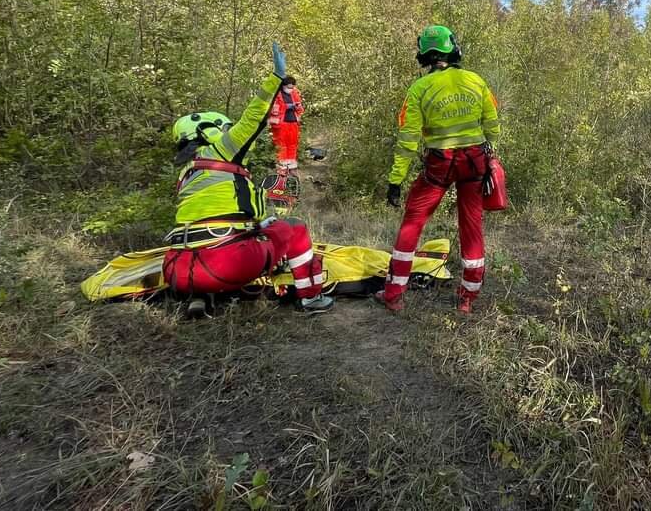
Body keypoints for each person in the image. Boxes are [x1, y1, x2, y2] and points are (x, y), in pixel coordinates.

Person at [163, 43, 334, 317]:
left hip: (176, 269)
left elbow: (219, 216)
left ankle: (200, 298)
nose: (230, 132)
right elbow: (254, 117)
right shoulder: (222, 150)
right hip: (223, 265)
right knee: (295, 227)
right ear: (209, 132)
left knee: (205, 238)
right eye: (225, 129)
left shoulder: (187, 173)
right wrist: (276, 78)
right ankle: (311, 298)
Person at [376, 25, 501, 314]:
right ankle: (467, 298)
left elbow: (407, 140)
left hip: (439, 164)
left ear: (423, 54)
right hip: (474, 162)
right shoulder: (475, 81)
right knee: (471, 227)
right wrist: (492, 154)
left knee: (413, 222)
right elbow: (492, 123)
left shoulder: (419, 89)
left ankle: (393, 295)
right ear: (452, 48)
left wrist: (396, 180)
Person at [269, 75, 304, 173]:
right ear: (283, 85)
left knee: (293, 144)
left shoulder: (294, 94)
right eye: (289, 86)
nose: (291, 89)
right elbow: (273, 110)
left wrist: (296, 106)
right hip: (281, 123)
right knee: (281, 145)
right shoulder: (276, 95)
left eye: (292, 86)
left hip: (293, 122)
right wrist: (285, 106)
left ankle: (291, 167)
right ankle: (282, 168)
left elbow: (300, 109)